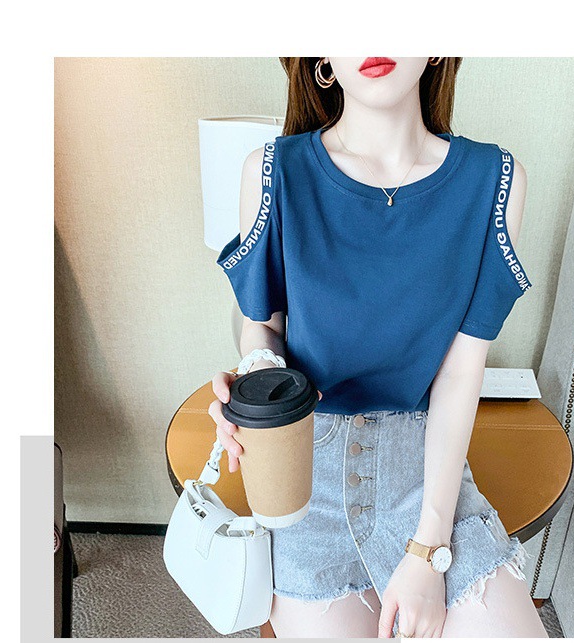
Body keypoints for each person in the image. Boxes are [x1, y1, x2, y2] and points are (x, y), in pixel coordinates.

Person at [208, 57, 547, 638]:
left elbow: (461, 372)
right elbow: (261, 329)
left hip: (424, 470)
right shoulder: (272, 172)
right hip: (305, 469)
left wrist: (429, 547)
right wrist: (257, 383)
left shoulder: (493, 181)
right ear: (322, 57)